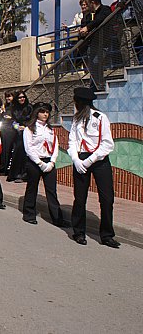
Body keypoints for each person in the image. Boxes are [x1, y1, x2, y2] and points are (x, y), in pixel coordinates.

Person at [67, 87, 119, 248]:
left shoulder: (101, 118)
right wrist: (76, 159)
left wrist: (90, 161)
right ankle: (79, 232)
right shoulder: (76, 120)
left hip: (99, 159)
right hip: (81, 159)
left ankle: (107, 235)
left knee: (107, 197)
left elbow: (107, 144)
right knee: (80, 197)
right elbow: (72, 141)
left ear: (80, 102)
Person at [22, 102, 69, 227]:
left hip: (49, 161)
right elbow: (29, 148)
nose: (45, 115)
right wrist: (40, 163)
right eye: (42, 112)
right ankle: (29, 214)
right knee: (32, 188)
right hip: (35, 162)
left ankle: (57, 218)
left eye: (47, 112)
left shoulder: (50, 129)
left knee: (51, 190)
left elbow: (55, 146)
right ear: (36, 113)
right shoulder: (30, 129)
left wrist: (52, 162)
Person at [79, 0, 113, 91]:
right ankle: (94, 85)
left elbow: (99, 20)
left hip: (103, 42)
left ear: (93, 3)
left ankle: (99, 85)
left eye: (88, 4)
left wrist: (88, 27)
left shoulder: (105, 10)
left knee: (97, 63)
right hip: (93, 43)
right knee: (93, 65)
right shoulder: (91, 15)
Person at [118, 0, 143, 67]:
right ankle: (133, 66)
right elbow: (121, 0)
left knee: (126, 44)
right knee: (126, 45)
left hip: (137, 20)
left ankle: (132, 67)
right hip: (130, 20)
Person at [6, 90, 31, 183]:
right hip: (18, 133)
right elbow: (12, 120)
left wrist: (26, 127)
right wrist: (17, 127)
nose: (22, 99)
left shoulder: (29, 107)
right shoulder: (14, 108)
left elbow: (32, 119)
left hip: (28, 132)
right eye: (20, 97)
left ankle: (24, 174)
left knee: (26, 153)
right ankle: (16, 173)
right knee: (17, 152)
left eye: (23, 97)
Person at [0, 91, 16, 175]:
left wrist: (11, 118)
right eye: (6, 97)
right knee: (3, 149)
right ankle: (2, 168)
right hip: (4, 129)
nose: (8, 98)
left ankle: (8, 168)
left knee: (9, 149)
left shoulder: (15, 107)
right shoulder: (4, 107)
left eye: (10, 96)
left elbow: (17, 118)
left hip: (12, 130)